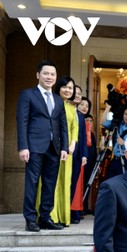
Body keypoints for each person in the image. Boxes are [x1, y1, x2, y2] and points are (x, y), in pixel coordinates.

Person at [16, 60, 68, 232]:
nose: (49, 77)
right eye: (46, 73)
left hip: (54, 148)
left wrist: (64, 148)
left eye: (53, 74)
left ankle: (45, 217)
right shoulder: (28, 94)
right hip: (34, 147)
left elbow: (63, 125)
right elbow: (22, 121)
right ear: (38, 75)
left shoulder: (58, 99)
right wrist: (23, 146)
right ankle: (30, 219)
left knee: (50, 184)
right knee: (32, 183)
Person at [41, 75, 78, 228]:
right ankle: (50, 216)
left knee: (65, 182)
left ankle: (63, 216)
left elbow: (74, 127)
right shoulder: (52, 103)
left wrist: (73, 143)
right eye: (65, 87)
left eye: (70, 87)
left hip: (67, 151)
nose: (68, 90)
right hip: (52, 149)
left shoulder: (72, 107)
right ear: (59, 87)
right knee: (51, 183)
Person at [100, 102, 127, 179]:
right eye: (125, 114)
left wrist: (124, 143)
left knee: (123, 184)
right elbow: (102, 123)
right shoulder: (118, 124)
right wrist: (107, 108)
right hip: (115, 159)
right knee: (110, 181)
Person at [69, 85, 88, 224]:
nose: (77, 95)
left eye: (80, 93)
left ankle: (69, 213)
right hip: (65, 153)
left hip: (77, 155)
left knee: (73, 185)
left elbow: (82, 136)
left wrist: (84, 155)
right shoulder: (64, 109)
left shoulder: (81, 116)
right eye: (75, 93)